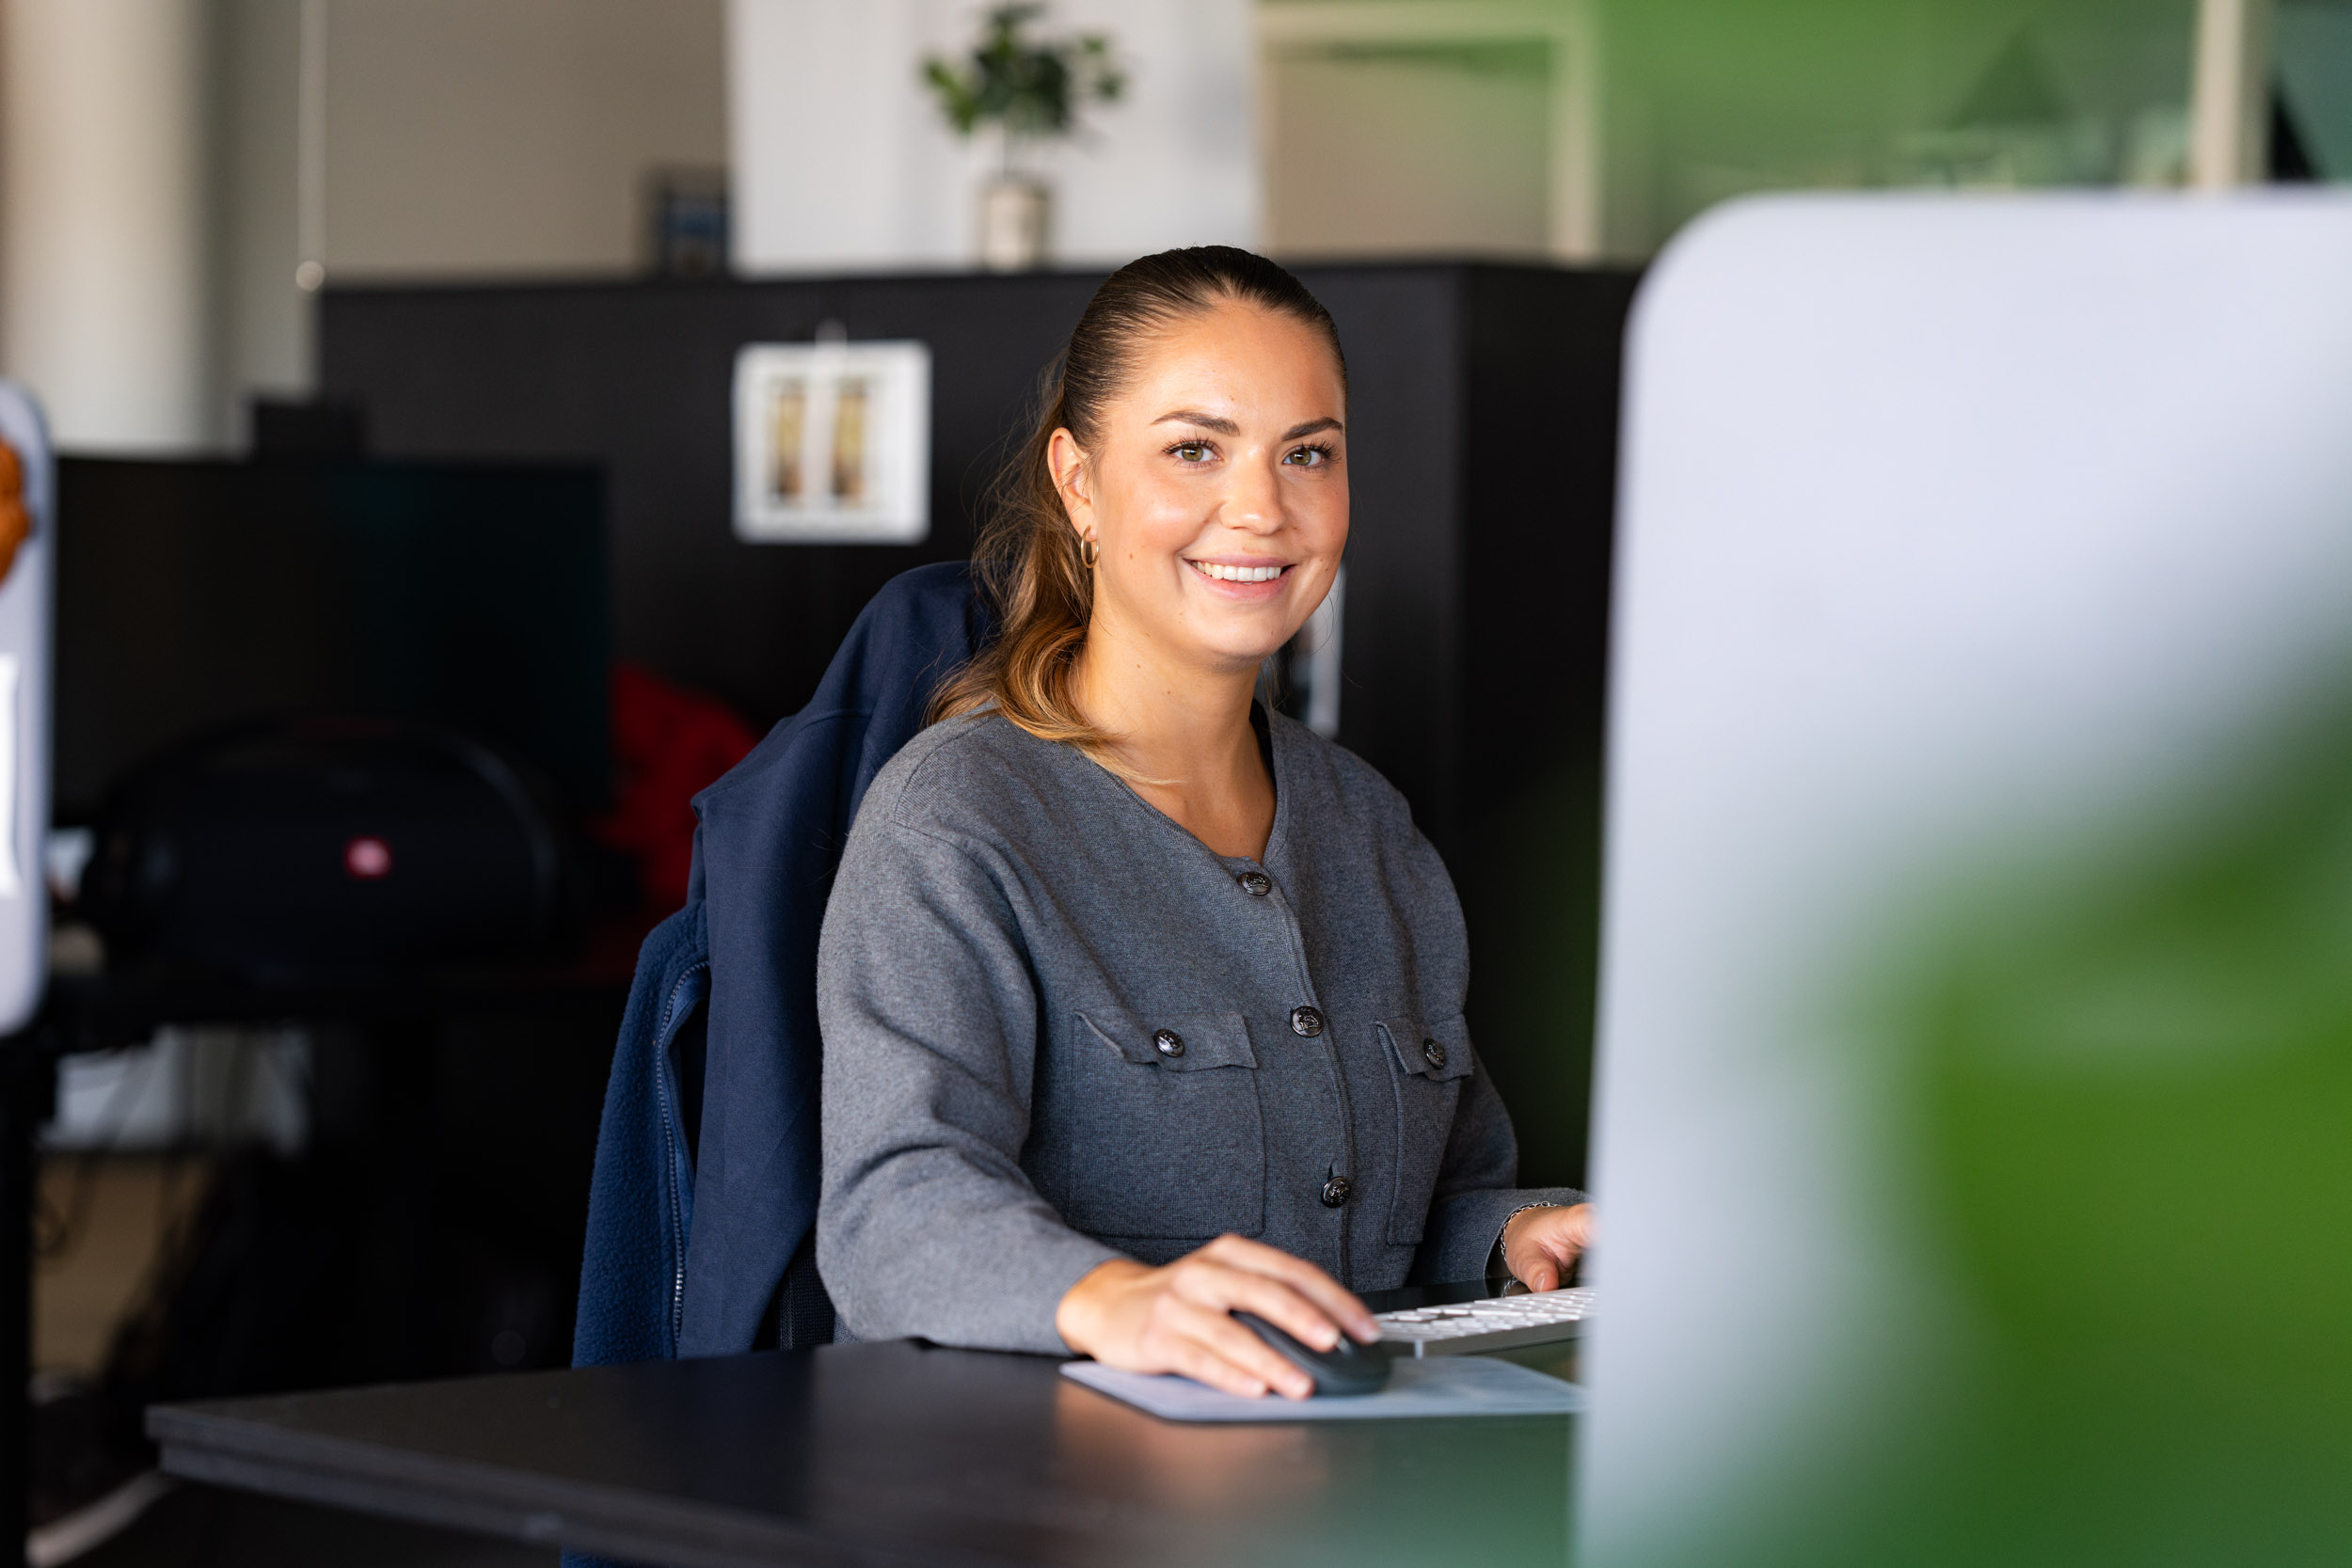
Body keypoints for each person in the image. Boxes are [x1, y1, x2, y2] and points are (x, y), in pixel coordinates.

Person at [815, 246, 1593, 1401]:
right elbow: (892, 1211)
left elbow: (1434, 1198)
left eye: (1308, 454)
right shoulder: (956, 823)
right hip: (1042, 1498)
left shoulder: (1371, 830)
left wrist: (1514, 1232)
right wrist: (1116, 1296)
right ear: (1078, 481)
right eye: (1194, 449)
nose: (1262, 510)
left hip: (1349, 1485)